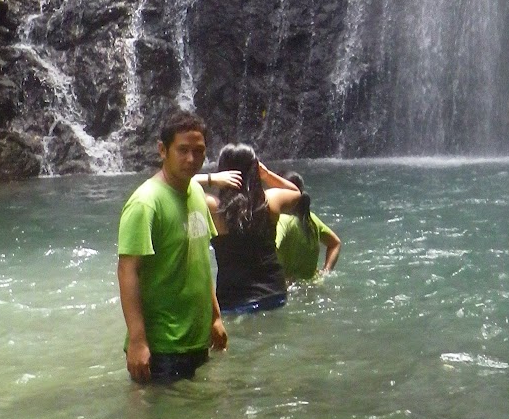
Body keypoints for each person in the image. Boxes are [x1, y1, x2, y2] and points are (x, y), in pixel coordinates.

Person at [116, 109, 234, 383]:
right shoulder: (146, 203)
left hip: (195, 338)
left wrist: (215, 317)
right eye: (182, 150)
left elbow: (200, 260)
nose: (191, 159)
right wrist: (137, 341)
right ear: (162, 150)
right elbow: (127, 270)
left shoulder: (195, 194)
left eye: (199, 150)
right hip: (161, 347)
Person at [196, 143, 303, 313]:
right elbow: (296, 191)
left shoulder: (214, 207)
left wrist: (211, 178)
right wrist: (266, 175)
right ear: (255, 169)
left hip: (233, 300)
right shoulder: (270, 201)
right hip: (274, 294)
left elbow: (176, 185)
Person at [274, 172, 341, 281]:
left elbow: (271, 250)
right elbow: (335, 243)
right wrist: (326, 271)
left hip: (289, 291)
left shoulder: (282, 221)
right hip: (313, 285)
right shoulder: (311, 218)